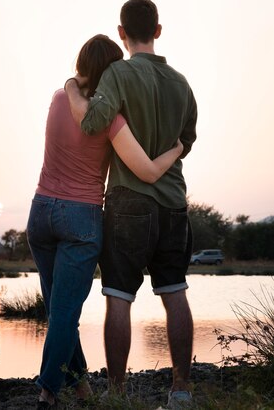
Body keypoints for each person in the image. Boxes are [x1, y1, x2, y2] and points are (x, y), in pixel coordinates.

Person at [27, 34, 184, 409]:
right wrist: (176, 149)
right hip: (80, 218)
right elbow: (146, 171)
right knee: (64, 312)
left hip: (41, 212)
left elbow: (74, 96)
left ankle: (80, 388)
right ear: (114, 71)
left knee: (58, 311)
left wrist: (70, 81)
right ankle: (48, 389)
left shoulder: (59, 97)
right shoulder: (111, 118)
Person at [65, 0, 197, 409]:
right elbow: (186, 141)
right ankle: (181, 391)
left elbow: (92, 122)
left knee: (118, 296)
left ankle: (117, 394)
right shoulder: (181, 83)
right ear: (157, 30)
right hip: (174, 202)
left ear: (121, 33)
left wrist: (73, 88)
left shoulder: (118, 74)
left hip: (127, 202)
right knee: (175, 294)